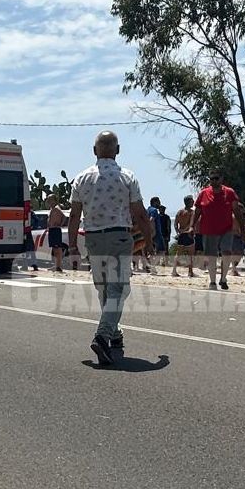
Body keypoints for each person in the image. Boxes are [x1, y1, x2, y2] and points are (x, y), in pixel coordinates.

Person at [69, 131, 154, 366]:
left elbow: (74, 215)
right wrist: (149, 241)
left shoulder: (81, 178)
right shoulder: (127, 176)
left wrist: (72, 245)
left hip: (94, 239)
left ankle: (115, 334)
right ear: (117, 150)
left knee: (104, 288)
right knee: (118, 289)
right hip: (118, 237)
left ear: (94, 151)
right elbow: (140, 214)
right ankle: (103, 335)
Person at [191, 170, 245, 291]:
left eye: (216, 178)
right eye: (212, 179)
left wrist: (242, 229)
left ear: (221, 179)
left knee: (226, 253)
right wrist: (191, 226)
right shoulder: (203, 193)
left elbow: (237, 211)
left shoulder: (229, 192)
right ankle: (212, 281)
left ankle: (223, 279)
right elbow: (197, 212)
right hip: (209, 230)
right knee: (211, 256)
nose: (214, 181)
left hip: (226, 229)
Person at [172, 195, 196, 277]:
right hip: (188, 234)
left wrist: (178, 232)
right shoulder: (192, 212)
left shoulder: (179, 212)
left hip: (181, 235)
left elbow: (175, 224)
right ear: (188, 202)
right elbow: (191, 224)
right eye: (192, 201)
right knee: (190, 254)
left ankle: (174, 271)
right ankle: (190, 272)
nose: (193, 202)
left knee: (178, 254)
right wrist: (186, 230)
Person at [46, 195, 67, 272]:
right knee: (54, 249)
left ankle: (59, 266)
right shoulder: (52, 209)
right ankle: (56, 265)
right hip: (52, 229)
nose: (49, 201)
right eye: (48, 200)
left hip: (55, 229)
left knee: (58, 249)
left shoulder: (56, 208)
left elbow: (64, 217)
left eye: (50, 200)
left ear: (54, 200)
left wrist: (60, 224)